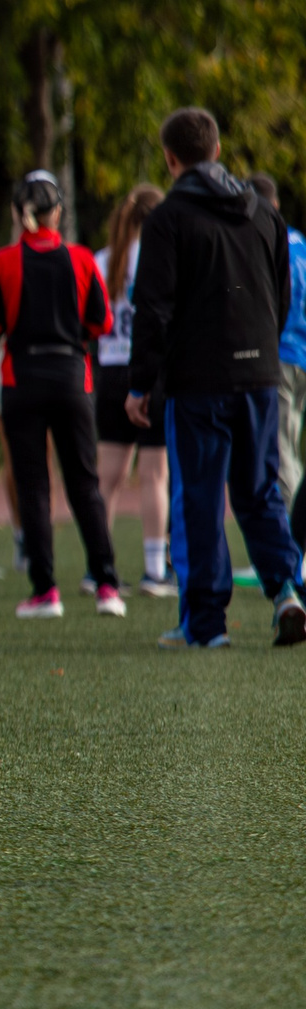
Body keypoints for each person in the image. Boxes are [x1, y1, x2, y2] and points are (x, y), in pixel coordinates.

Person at [127, 107, 304, 648]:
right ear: (219, 150)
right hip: (259, 375)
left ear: (170, 158)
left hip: (198, 379)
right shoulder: (263, 215)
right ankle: (289, 590)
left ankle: (205, 625)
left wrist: (141, 384)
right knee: (260, 491)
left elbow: (152, 308)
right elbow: (281, 295)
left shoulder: (167, 220)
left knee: (199, 498)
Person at [0, 172, 120, 618]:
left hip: (21, 377)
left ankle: (45, 592)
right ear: (58, 212)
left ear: (19, 215)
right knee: (84, 483)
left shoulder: (0, 263)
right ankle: (107, 586)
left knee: (34, 485)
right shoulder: (80, 260)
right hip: (73, 375)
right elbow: (103, 323)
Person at [94, 184, 172, 596]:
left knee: (107, 478)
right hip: (151, 372)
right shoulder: (160, 256)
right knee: (154, 476)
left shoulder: (103, 260)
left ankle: (98, 569)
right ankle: (155, 571)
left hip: (109, 371)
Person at [258, 174, 306, 503]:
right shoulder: (299, 242)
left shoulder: (266, 241)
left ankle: (295, 544)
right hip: (301, 354)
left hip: (281, 354)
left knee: (282, 450)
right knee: (291, 443)